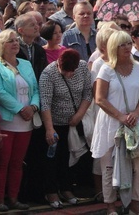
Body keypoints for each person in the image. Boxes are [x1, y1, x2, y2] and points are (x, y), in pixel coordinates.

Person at [91, 31, 139, 215]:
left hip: (133, 124)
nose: (127, 47)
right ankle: (110, 206)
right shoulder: (106, 69)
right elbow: (99, 99)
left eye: (128, 43)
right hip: (111, 123)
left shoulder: (138, 67)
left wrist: (136, 113)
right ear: (113, 48)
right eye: (121, 45)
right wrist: (120, 116)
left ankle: (135, 203)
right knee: (109, 167)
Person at [0, 29, 40, 211]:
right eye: (10, 41)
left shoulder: (25, 64)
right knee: (2, 162)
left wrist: (32, 107)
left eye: (16, 40)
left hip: (26, 122)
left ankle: (14, 198)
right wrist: (19, 108)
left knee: (17, 163)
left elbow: (36, 90)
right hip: (7, 121)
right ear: (0, 45)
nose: (15, 43)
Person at [38, 49, 92, 209]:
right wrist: (49, 129)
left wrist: (79, 115)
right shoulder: (48, 74)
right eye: (65, 71)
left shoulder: (82, 67)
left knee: (69, 159)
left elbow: (88, 93)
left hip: (74, 123)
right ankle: (51, 191)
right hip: (54, 124)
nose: (69, 74)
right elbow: (45, 103)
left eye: (71, 71)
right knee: (52, 160)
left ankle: (67, 189)